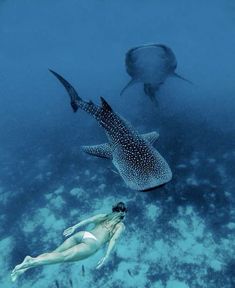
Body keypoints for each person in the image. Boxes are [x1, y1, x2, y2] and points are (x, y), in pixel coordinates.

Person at [11, 202, 127, 282]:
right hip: (92, 244)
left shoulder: (105, 216)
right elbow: (114, 239)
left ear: (114, 209)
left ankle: (24, 268)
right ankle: (30, 262)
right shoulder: (120, 226)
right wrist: (106, 256)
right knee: (62, 257)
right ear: (123, 213)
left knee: (55, 253)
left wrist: (74, 227)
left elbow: (89, 220)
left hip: (83, 234)